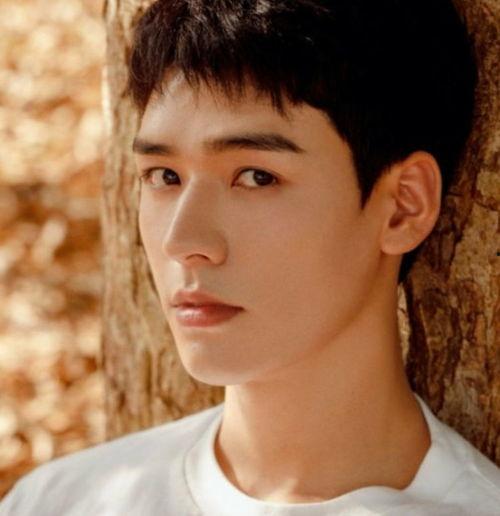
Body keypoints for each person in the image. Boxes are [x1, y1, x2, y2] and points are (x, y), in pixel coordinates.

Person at [1, 0, 499, 514]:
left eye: (257, 177)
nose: (182, 240)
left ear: (402, 207)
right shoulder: (57, 502)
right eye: (164, 176)